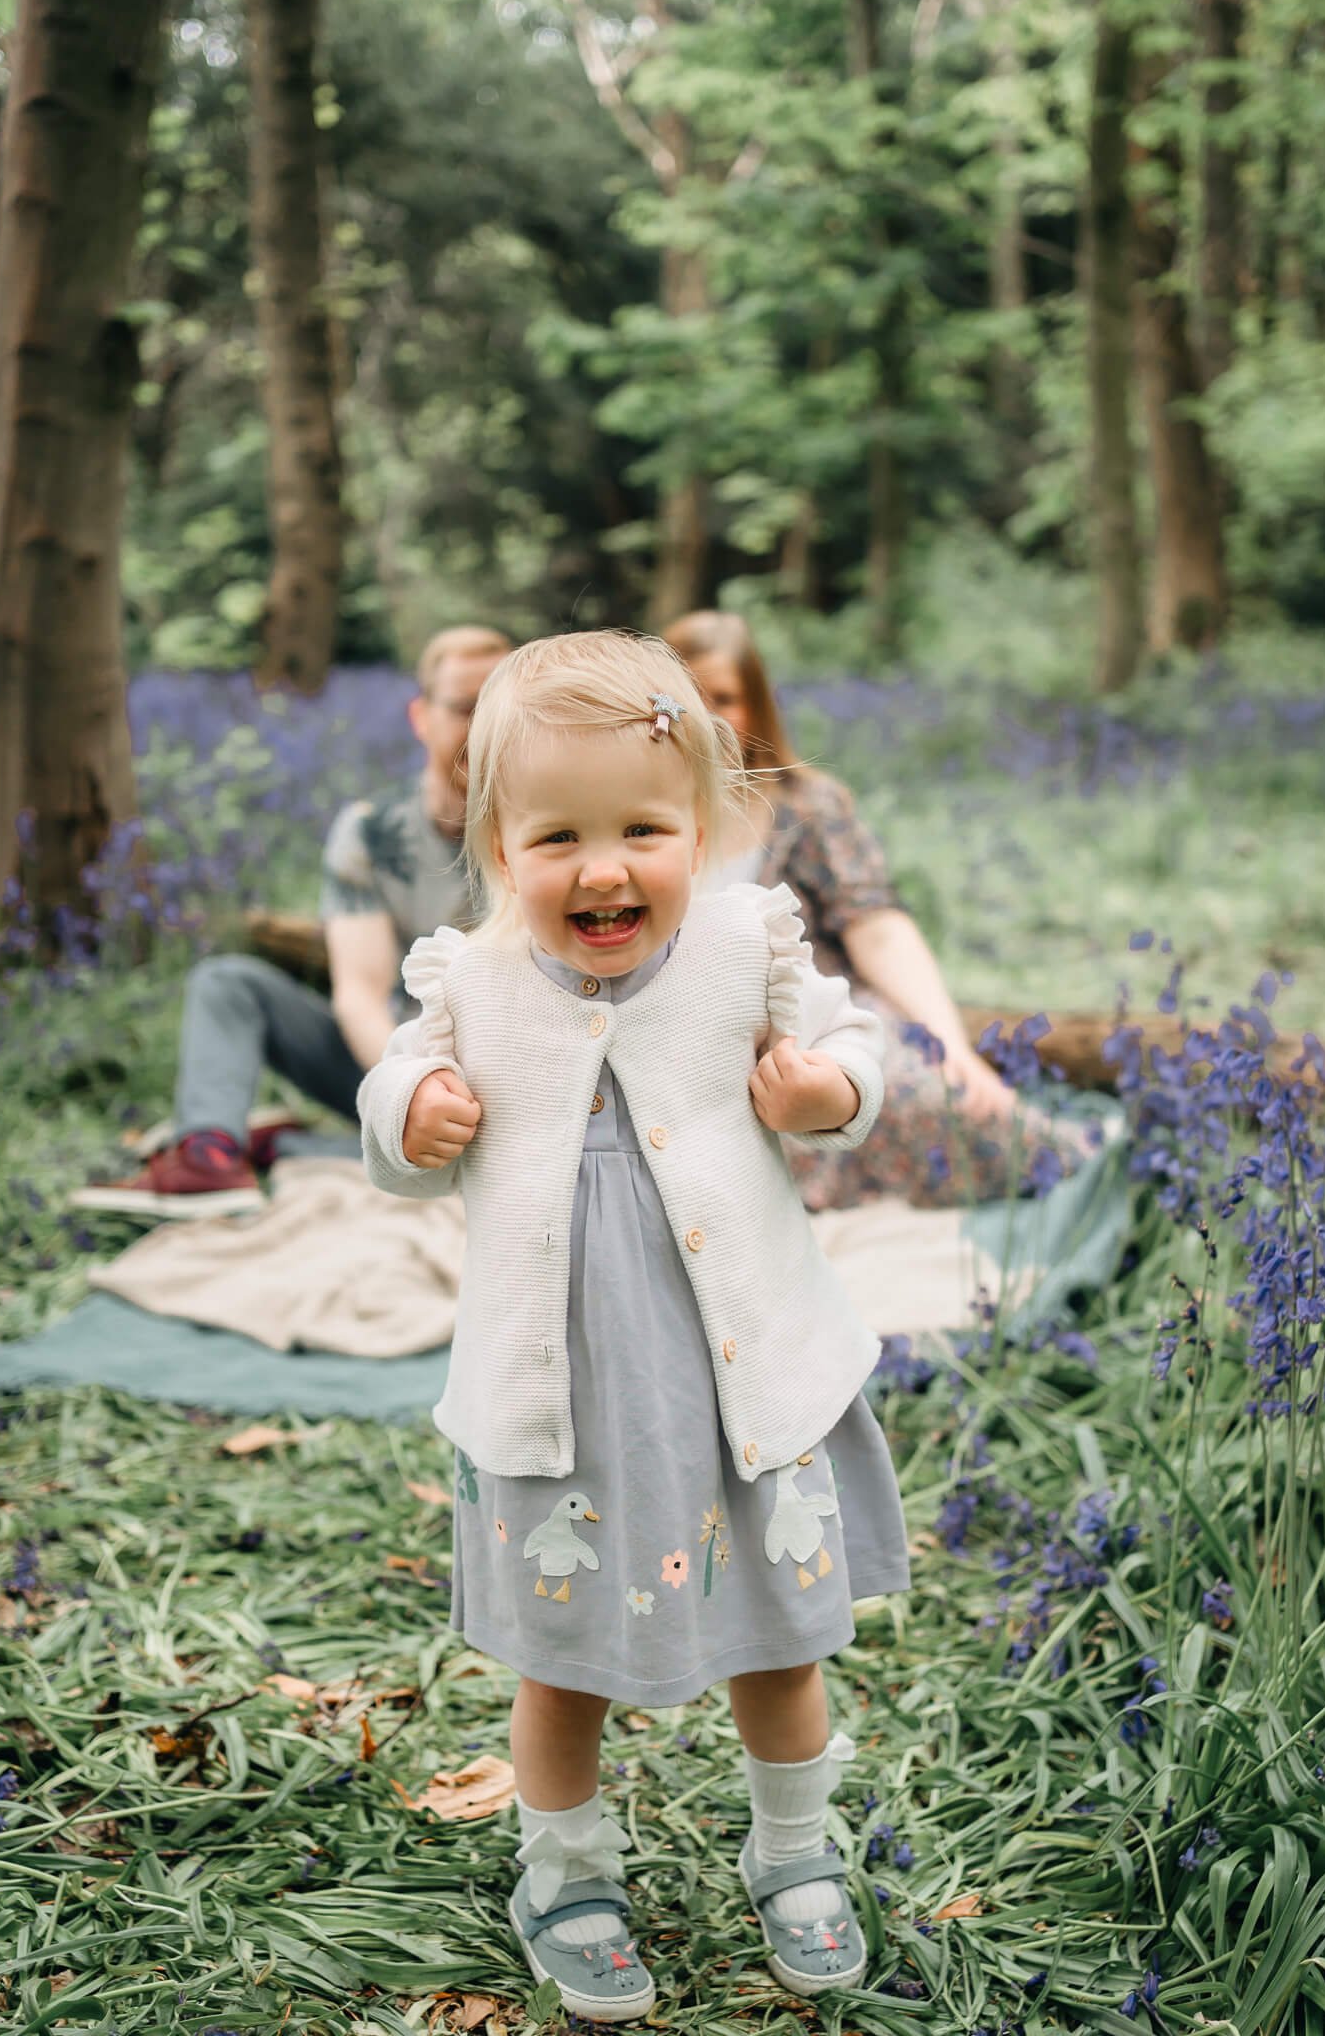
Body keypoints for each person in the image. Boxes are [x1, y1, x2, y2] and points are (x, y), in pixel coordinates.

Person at [358, 632, 909, 2020]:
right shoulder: (468, 984)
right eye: (558, 836)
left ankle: (794, 1851)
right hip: (571, 1406)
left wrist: (826, 1096)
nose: (603, 869)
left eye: (644, 831)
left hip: (744, 1388)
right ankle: (566, 1869)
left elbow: (856, 1047)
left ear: (707, 828)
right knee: (564, 1665)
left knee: (782, 1643)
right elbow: (393, 1112)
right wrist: (407, 1117)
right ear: (495, 842)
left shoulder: (748, 946)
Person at [72, 625, 512, 1218]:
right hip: (395, 1060)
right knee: (228, 984)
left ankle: (289, 1146)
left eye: (501, 708)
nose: (483, 727)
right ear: (421, 716)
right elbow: (360, 994)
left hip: (516, 1070)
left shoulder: (551, 828)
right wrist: (411, 1093)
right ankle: (208, 1155)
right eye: (464, 707)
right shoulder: (369, 834)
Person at [663, 608, 1097, 1210]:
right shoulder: (637, 810)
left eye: (726, 698)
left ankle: (1078, 1163)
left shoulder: (804, 806)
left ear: (757, 706)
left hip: (810, 1016)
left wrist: (953, 1049)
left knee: (924, 1096)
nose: (710, 719)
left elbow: (879, 930)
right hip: (681, 1029)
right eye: (692, 698)